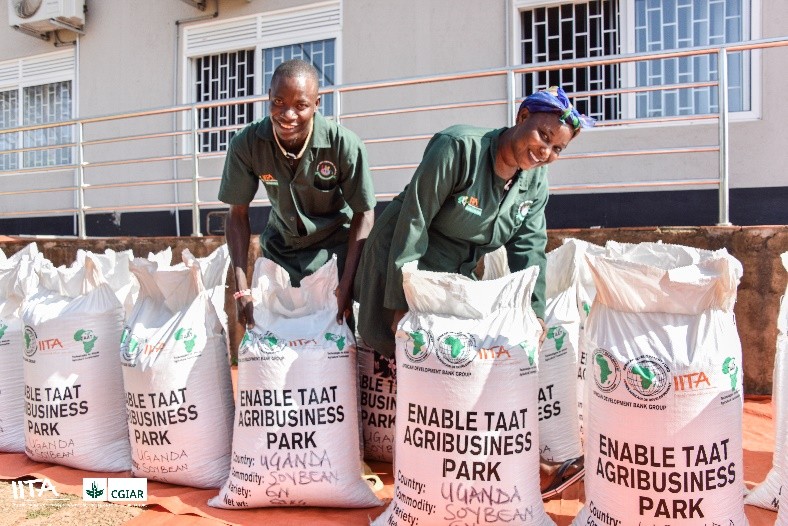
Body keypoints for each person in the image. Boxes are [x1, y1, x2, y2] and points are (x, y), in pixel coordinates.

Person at [354, 86, 593, 498]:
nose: (546, 152)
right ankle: (458, 476)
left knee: (467, 365)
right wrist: (399, 301)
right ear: (521, 117)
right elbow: (415, 219)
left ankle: (485, 471)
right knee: (434, 367)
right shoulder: (458, 148)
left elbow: (529, 248)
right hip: (407, 262)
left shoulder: (535, 182)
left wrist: (533, 312)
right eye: (542, 137)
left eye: (557, 149)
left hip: (459, 275)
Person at [219, 59, 375, 328]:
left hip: (334, 254)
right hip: (280, 253)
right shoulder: (247, 144)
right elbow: (237, 214)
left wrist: (348, 283)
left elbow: (365, 213)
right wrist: (242, 287)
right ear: (268, 97)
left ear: (316, 104)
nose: (288, 114)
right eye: (278, 102)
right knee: (274, 346)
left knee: (336, 350)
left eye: (300, 105)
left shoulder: (344, 145)